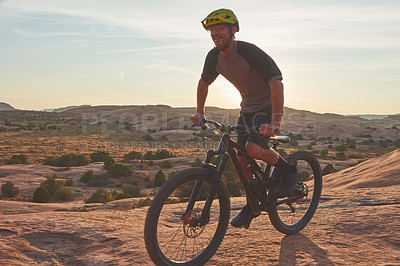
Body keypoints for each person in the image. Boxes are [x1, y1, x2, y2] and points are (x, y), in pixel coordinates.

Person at [190, 8, 301, 228]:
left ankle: (290, 171)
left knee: (252, 149)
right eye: (211, 29)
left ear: (233, 30)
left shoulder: (249, 52)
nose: (214, 32)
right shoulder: (214, 57)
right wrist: (199, 111)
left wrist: (274, 122)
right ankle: (253, 202)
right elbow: (204, 83)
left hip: (267, 105)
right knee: (240, 158)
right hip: (247, 108)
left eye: (219, 27)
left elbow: (276, 83)